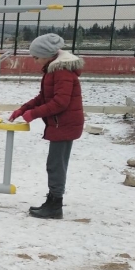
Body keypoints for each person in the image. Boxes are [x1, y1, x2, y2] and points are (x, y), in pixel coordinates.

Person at [9, 33, 84, 219]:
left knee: (55, 165)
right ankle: (52, 200)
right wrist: (23, 109)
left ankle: (55, 205)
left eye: (36, 57)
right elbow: (43, 98)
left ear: (48, 55)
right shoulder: (54, 69)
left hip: (64, 124)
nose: (35, 61)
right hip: (63, 124)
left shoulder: (61, 72)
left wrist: (33, 114)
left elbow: (60, 103)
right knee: (56, 164)